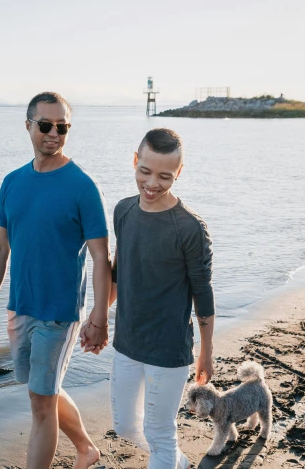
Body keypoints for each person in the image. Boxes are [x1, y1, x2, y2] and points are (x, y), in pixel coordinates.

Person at [0, 92, 111, 469]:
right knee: (41, 393)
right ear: (28, 126)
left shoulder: (83, 186)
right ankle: (87, 448)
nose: (54, 134)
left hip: (59, 312)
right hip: (20, 306)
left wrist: (99, 319)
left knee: (40, 404)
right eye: (45, 126)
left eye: (62, 127)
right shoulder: (12, 182)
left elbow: (102, 257)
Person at [84, 128, 215, 469]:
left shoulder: (190, 228)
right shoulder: (123, 211)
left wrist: (206, 353)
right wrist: (97, 320)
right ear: (134, 161)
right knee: (126, 426)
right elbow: (118, 272)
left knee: (158, 432)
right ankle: (177, 462)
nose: (152, 183)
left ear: (179, 172)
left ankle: (166, 457)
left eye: (164, 176)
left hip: (168, 349)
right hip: (128, 341)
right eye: (145, 171)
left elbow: (203, 295)